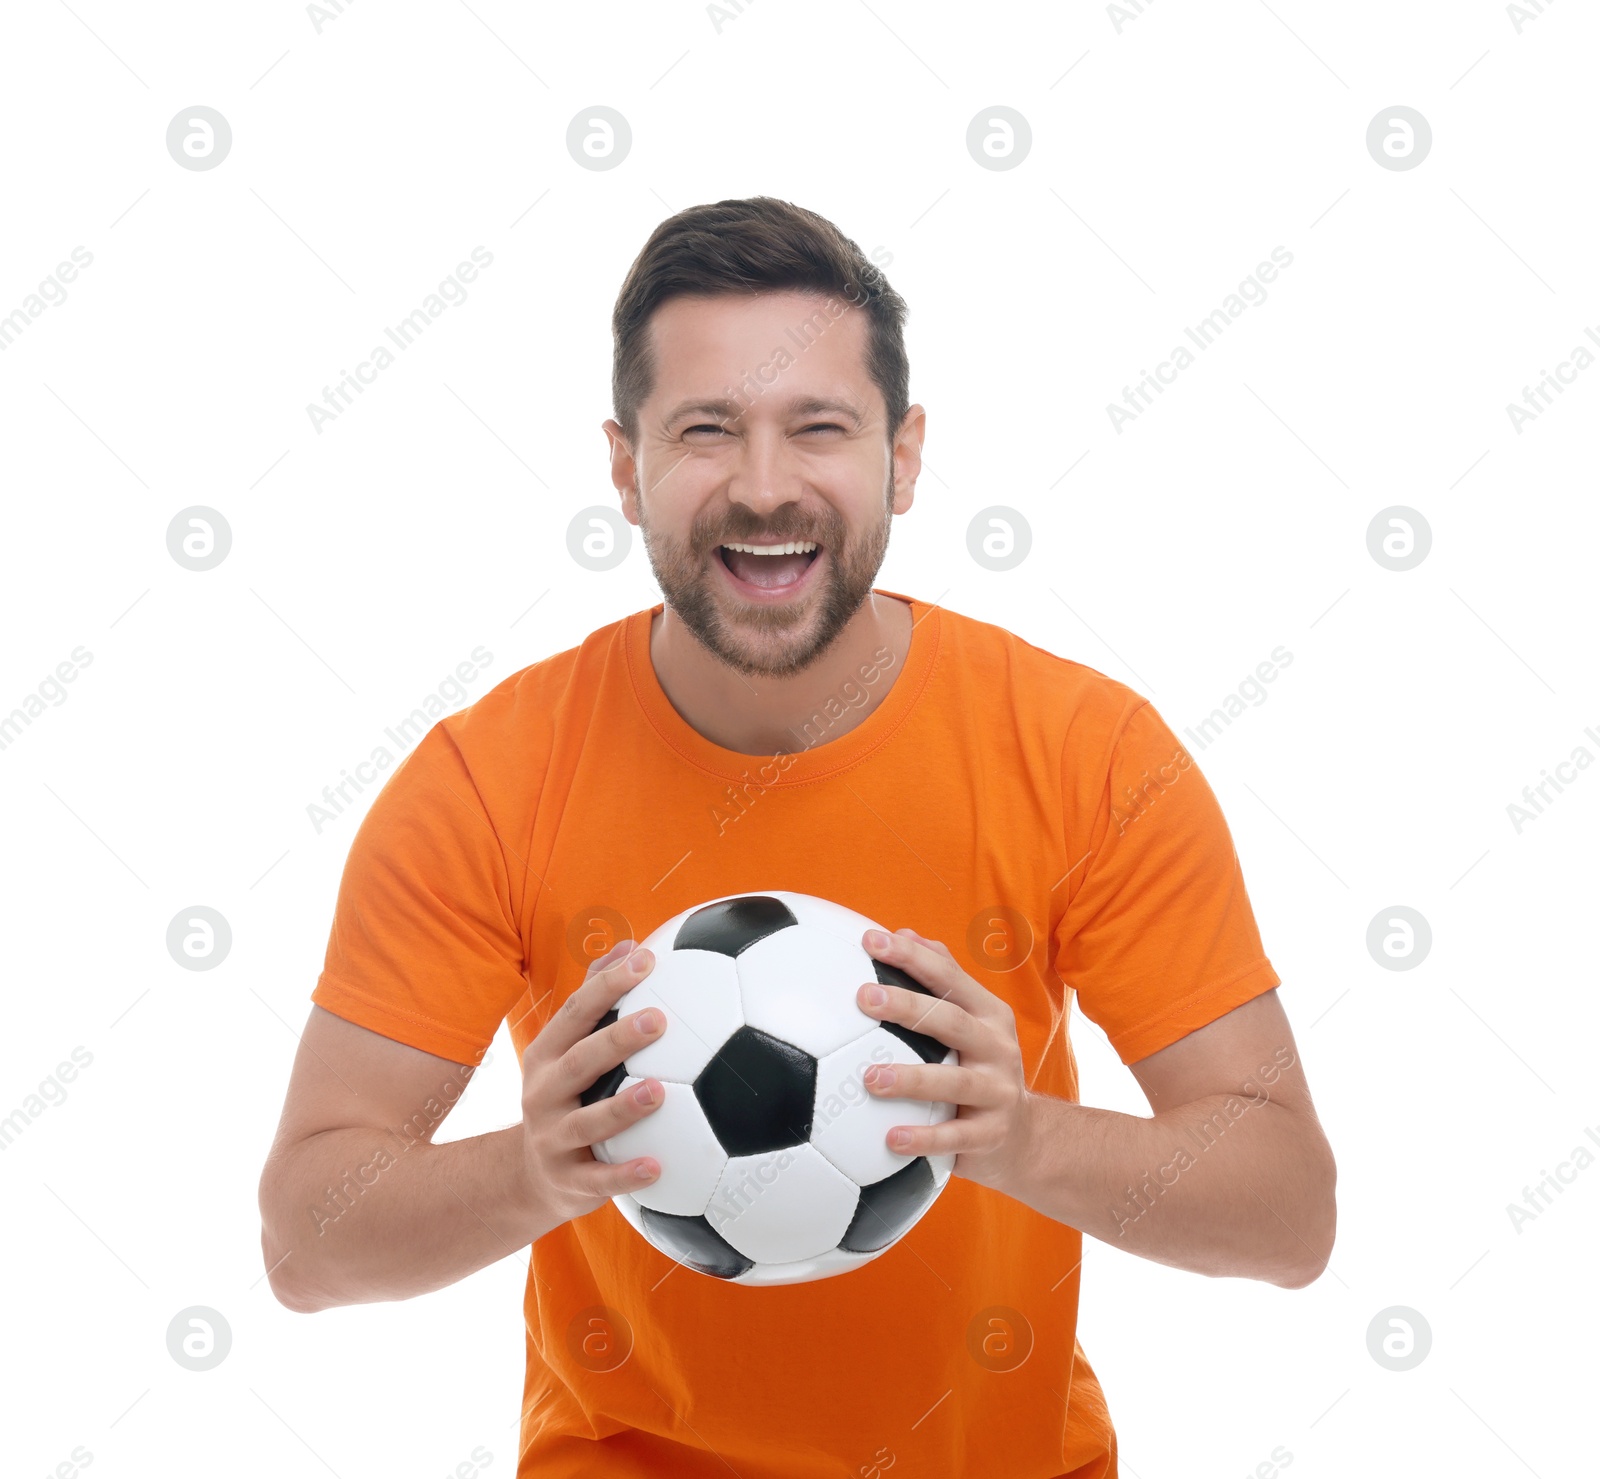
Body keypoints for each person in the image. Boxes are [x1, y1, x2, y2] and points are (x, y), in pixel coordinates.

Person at [257, 195, 1336, 1478]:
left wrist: (1019, 1136)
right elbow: (304, 1246)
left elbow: (1289, 1215)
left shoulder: (1082, 753)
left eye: (818, 428)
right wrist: (528, 1170)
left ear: (904, 456)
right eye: (705, 431)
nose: (764, 489)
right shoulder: (488, 783)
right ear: (624, 467)